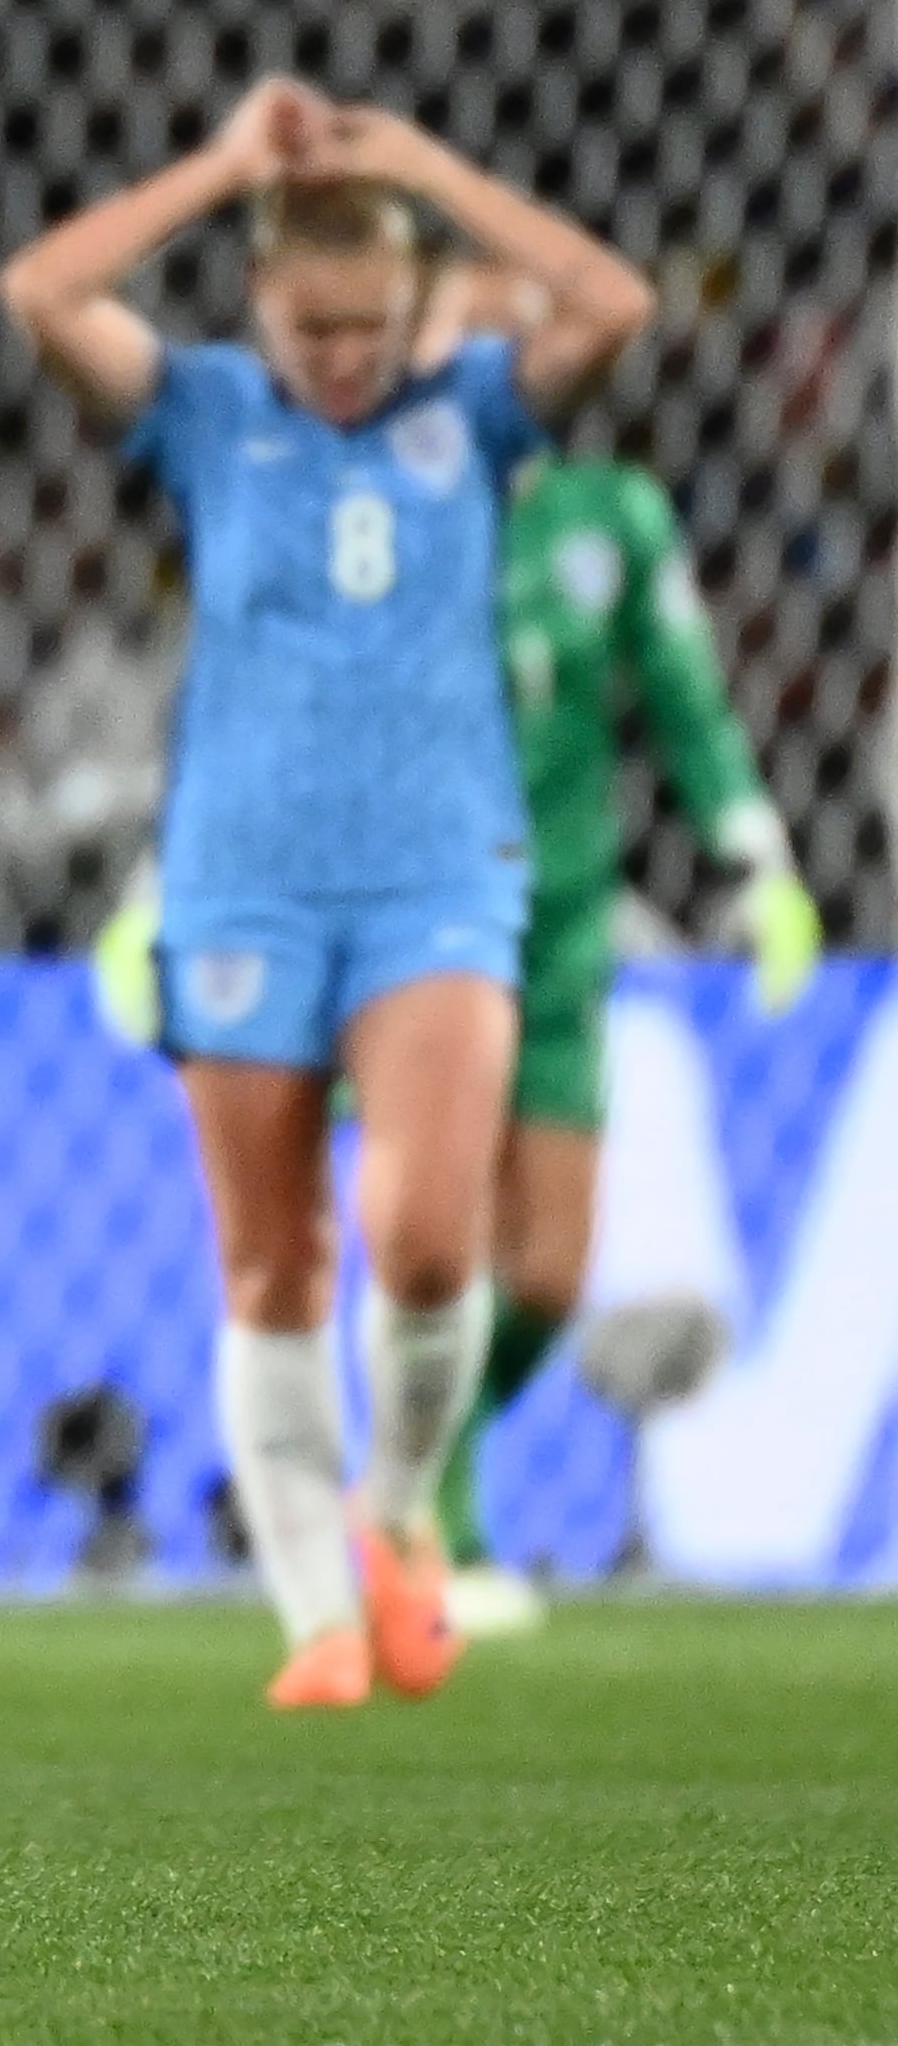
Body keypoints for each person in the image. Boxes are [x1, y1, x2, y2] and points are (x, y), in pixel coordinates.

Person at [0, 77, 653, 1710]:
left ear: (419, 303)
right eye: (313, 327)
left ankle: (399, 1510)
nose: (345, 357)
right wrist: (222, 166)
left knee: (425, 1243)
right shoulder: (209, 412)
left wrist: (424, 163)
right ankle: (315, 1619)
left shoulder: (477, 412)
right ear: (258, 305)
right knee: (274, 1262)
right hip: (243, 885)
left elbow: (613, 302)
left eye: (372, 323)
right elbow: (43, 291)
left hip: (436, 874)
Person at [89, 261, 824, 1639]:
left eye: (502, 337)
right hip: (405, 920)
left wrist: (759, 859)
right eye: (454, 338)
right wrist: (157, 891)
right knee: (444, 1241)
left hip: (564, 930)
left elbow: (689, 705)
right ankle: (434, 1533)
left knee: (550, 1270)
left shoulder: (611, 519)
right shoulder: (365, 520)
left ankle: (404, 1479)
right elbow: (250, 715)